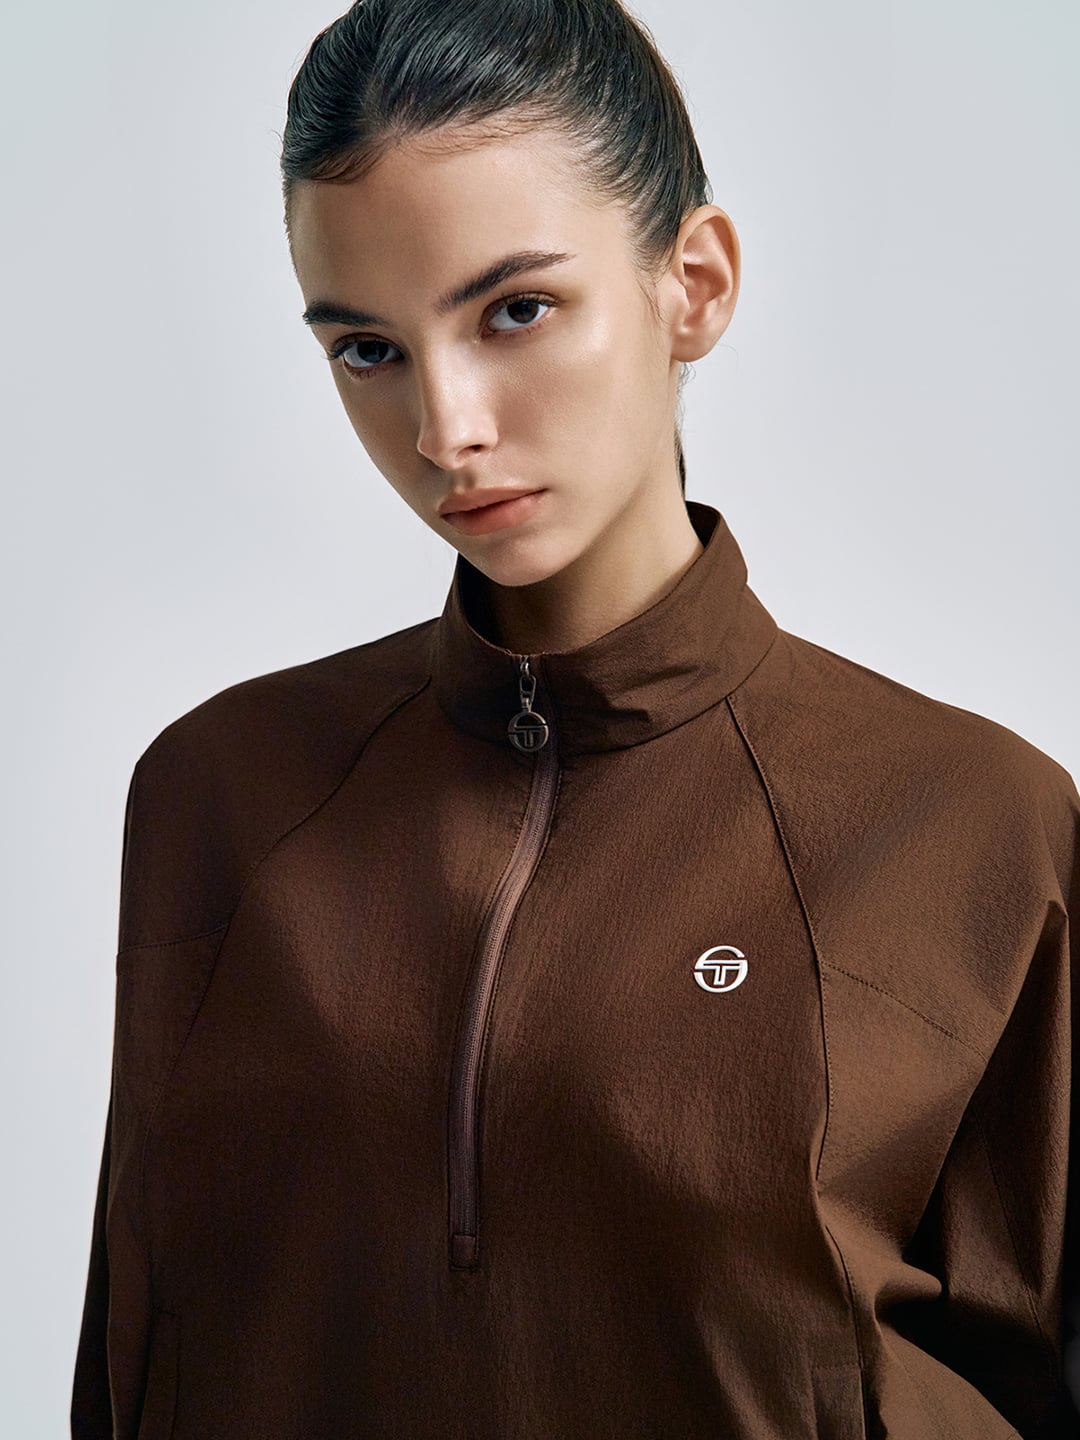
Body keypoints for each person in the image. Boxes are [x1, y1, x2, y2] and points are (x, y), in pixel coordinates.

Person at [71, 1, 1080, 1436]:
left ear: (694, 285)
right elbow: (137, 1358)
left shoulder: (972, 823)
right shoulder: (220, 795)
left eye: (516, 311)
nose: (447, 428)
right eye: (368, 349)